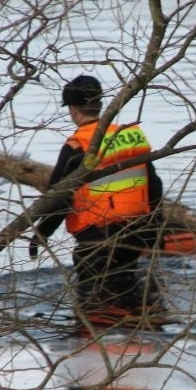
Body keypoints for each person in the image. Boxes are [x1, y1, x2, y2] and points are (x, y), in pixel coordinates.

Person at [29, 74, 163, 316]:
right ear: (100, 103)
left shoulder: (77, 146)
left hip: (97, 239)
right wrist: (157, 227)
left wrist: (41, 233)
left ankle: (102, 334)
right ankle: (141, 323)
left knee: (94, 296)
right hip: (137, 232)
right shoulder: (129, 134)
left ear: (72, 108)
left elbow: (58, 198)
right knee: (126, 283)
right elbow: (154, 185)